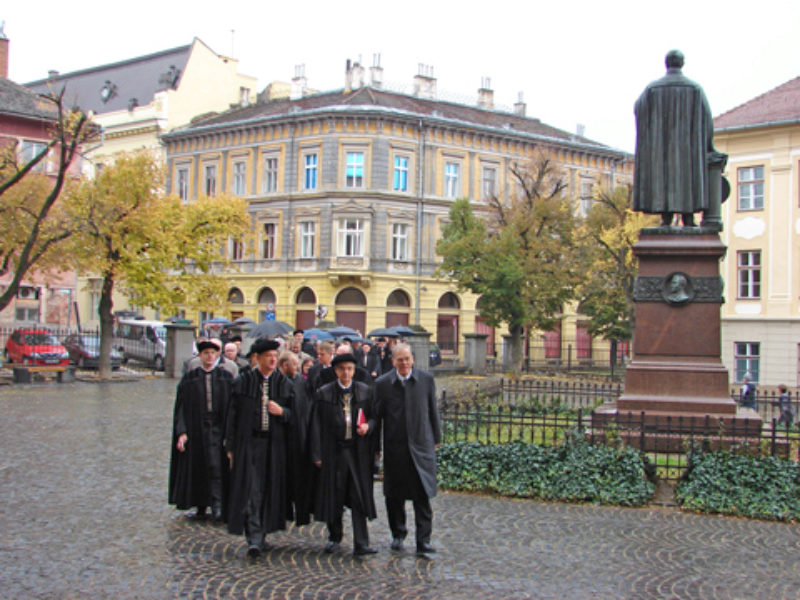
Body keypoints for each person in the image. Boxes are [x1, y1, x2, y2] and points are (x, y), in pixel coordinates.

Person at [225, 338, 294, 556]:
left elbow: (296, 416)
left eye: (275, 356)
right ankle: (253, 535)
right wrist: (230, 446)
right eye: (268, 356)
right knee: (251, 489)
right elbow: (232, 416)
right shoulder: (243, 382)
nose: (273, 359)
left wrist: (282, 412)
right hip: (249, 443)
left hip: (274, 445)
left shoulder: (285, 385)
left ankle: (262, 531)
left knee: (268, 488)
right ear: (258, 358)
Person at [633, 50, 718, 227]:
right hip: (688, 150)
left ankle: (666, 218)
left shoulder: (652, 89)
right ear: (682, 63)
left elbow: (638, 109)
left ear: (666, 64)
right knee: (687, 176)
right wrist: (708, 145)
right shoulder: (695, 88)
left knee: (664, 176)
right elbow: (707, 118)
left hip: (661, 149)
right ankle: (688, 217)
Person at [373, 343, 441, 555]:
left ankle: (423, 540)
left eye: (407, 359)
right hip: (396, 448)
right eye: (399, 359)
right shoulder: (383, 384)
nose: (404, 363)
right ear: (393, 361)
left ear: (413, 359)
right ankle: (398, 534)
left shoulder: (426, 380)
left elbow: (432, 410)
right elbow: (377, 417)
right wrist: (376, 447)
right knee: (395, 497)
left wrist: (436, 439)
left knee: (422, 496)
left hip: (421, 446)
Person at [310, 353, 377, 555]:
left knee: (359, 495)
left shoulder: (365, 391)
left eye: (349, 368)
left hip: (358, 451)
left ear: (354, 370)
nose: (346, 372)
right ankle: (334, 536)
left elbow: (375, 418)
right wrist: (317, 454)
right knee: (334, 494)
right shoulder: (324, 393)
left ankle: (362, 542)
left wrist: (368, 426)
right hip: (334, 450)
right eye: (342, 369)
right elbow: (315, 425)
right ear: (336, 371)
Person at [168, 340, 233, 522]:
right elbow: (180, 408)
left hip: (218, 429)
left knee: (217, 466)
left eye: (213, 353)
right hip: (197, 428)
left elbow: (232, 407)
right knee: (199, 465)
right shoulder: (190, 380)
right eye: (206, 353)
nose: (210, 356)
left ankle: (218, 503)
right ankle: (201, 504)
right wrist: (182, 431)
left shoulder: (225, 378)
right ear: (200, 355)